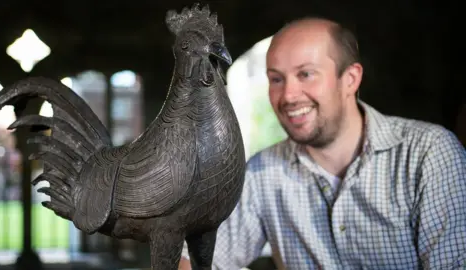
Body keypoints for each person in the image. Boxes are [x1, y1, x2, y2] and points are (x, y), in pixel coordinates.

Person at [179, 16, 466, 270]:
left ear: (350, 79)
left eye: (306, 74)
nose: (288, 95)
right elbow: (195, 260)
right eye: (276, 79)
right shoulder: (262, 172)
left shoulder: (428, 154)